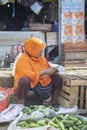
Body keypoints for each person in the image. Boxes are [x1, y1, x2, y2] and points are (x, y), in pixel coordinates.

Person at [14, 37, 63, 106]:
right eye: (39, 51)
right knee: (23, 81)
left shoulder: (41, 57)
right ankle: (20, 106)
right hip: (32, 85)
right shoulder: (23, 60)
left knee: (58, 78)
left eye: (41, 51)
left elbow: (48, 69)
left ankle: (53, 102)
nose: (41, 53)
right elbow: (28, 75)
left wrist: (53, 72)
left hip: (42, 84)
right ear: (32, 50)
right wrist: (44, 72)